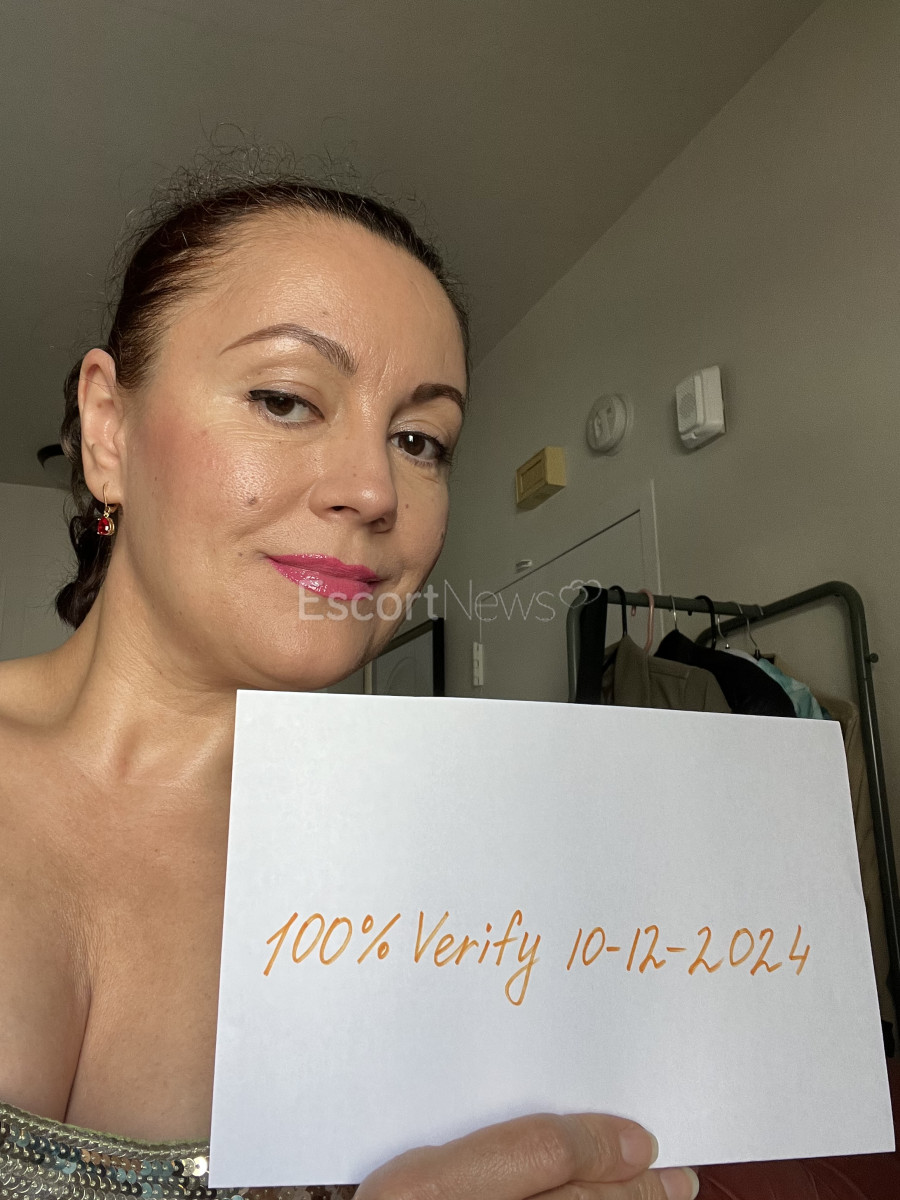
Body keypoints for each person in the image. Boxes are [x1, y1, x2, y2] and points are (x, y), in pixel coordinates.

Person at [0, 171, 699, 1200]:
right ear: (108, 427)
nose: (374, 490)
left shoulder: (461, 892)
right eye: (285, 400)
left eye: (420, 442)